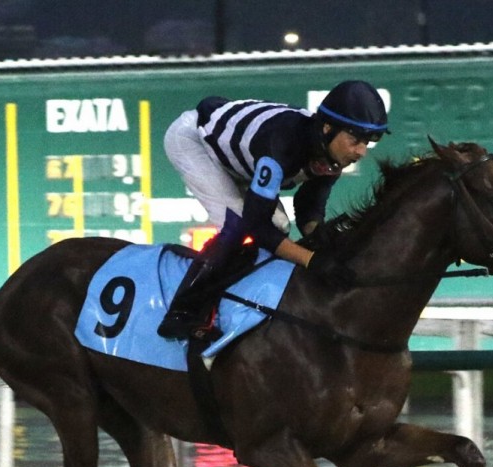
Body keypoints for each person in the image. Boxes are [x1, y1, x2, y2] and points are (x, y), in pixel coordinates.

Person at [157, 80, 390, 340]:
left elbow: (308, 206)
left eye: (366, 143)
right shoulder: (283, 144)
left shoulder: (329, 150)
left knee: (279, 227)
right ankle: (182, 312)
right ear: (327, 128)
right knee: (236, 225)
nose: (361, 152)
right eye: (355, 140)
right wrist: (312, 260)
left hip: (240, 159)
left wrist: (319, 239)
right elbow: (256, 226)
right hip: (193, 141)